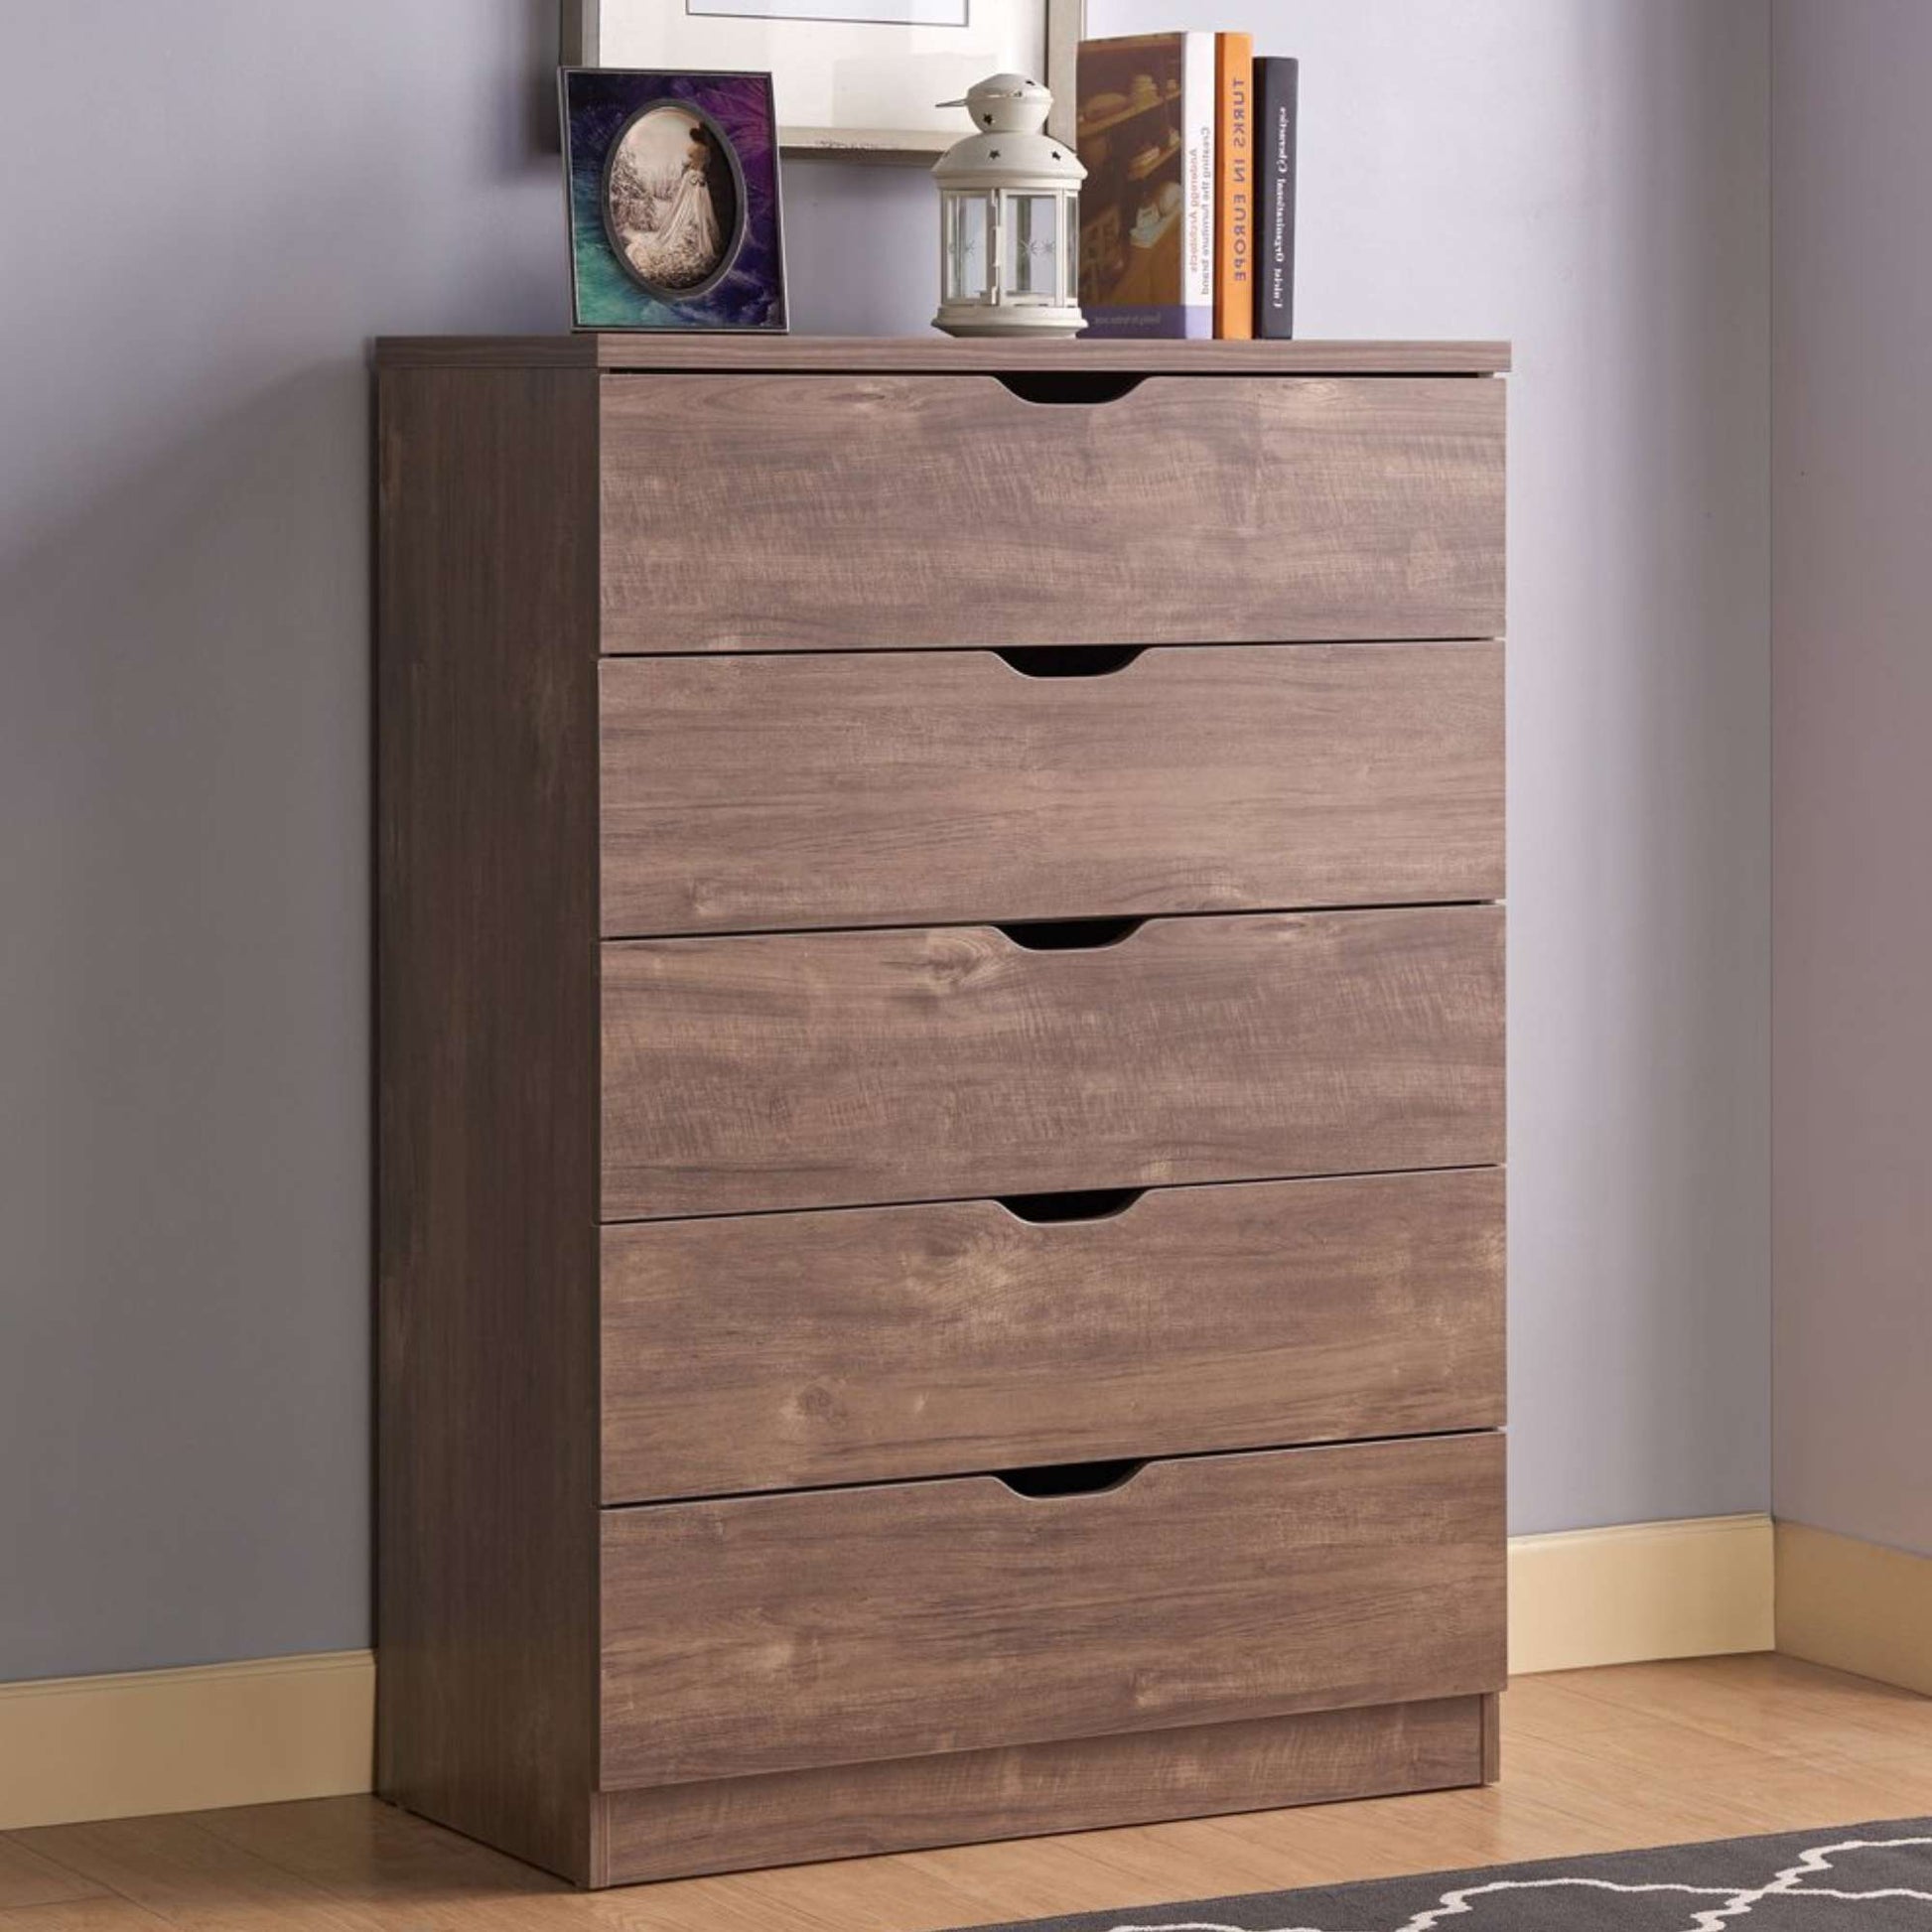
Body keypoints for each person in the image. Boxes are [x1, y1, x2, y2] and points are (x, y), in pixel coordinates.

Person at [623, 123, 722, 289]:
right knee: (699, 206)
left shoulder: (694, 147)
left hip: (691, 177)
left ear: (695, 138)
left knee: (685, 205)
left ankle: (688, 229)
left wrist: (689, 165)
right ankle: (696, 231)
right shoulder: (706, 151)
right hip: (701, 179)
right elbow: (704, 164)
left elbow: (690, 160)